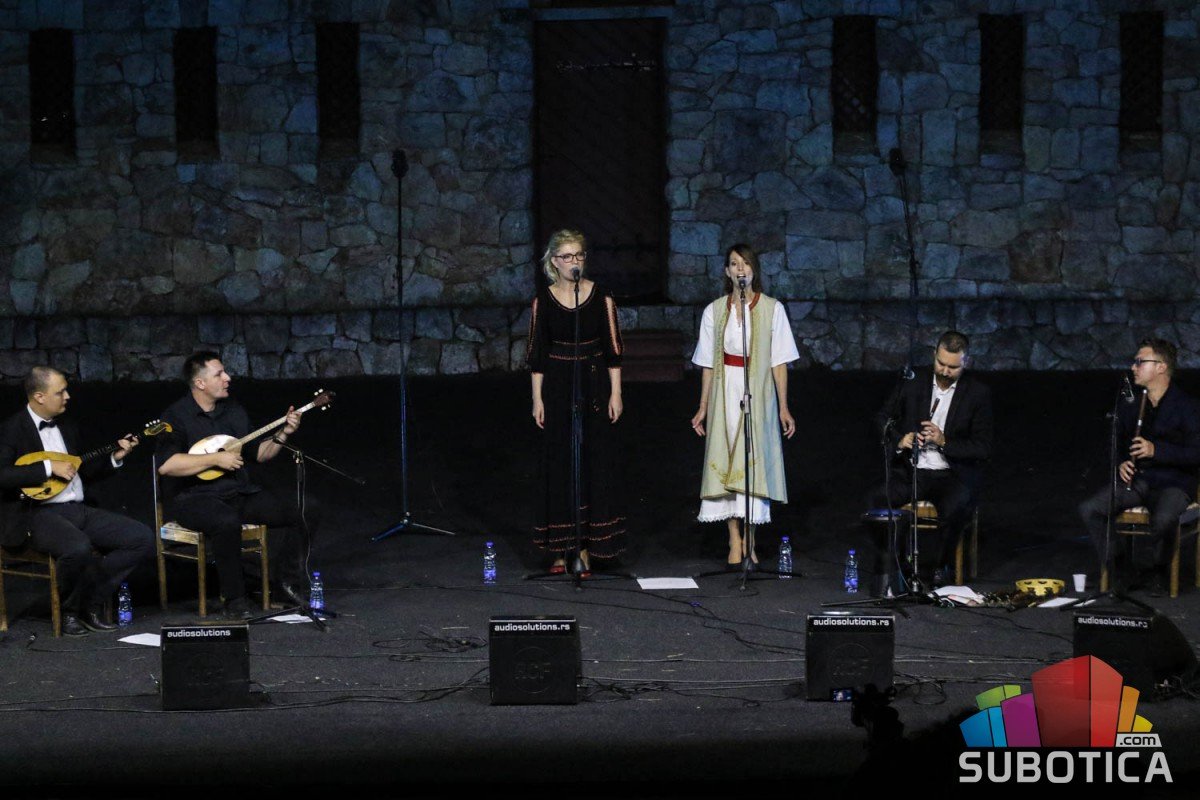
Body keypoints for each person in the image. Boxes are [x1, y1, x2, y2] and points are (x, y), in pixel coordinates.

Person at [0, 366, 154, 636]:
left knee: (139, 537)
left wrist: (114, 458)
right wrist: (49, 467)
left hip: (77, 508)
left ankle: (90, 602)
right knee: (77, 547)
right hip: (36, 513)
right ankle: (69, 612)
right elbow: (3, 475)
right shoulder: (11, 429)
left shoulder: (68, 425)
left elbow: (81, 471)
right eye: (60, 392)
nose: (67, 396)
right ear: (39, 396)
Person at [156, 352, 311, 618]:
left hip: (238, 493)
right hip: (194, 499)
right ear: (200, 383)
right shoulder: (175, 416)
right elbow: (167, 465)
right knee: (226, 521)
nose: (227, 378)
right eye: (219, 374)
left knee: (306, 508)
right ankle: (234, 599)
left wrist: (283, 433)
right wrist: (216, 459)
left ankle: (285, 585)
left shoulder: (234, 411)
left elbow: (259, 454)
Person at [690, 244, 799, 570]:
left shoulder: (772, 309)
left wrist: (783, 407)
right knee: (727, 461)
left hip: (758, 393)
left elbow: (779, 362)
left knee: (752, 462)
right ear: (727, 271)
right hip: (726, 390)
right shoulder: (714, 311)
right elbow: (708, 363)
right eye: (734, 264)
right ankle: (733, 538)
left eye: (746, 263)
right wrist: (703, 406)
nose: (740, 269)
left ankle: (751, 540)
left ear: (754, 270)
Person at [526, 229, 626, 574]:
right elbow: (537, 354)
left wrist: (616, 392)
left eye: (579, 255)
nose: (574, 262)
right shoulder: (543, 300)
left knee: (591, 461)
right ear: (554, 261)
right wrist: (537, 398)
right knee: (560, 463)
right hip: (558, 384)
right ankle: (559, 548)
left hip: (593, 382)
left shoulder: (600, 297)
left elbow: (613, 350)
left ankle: (584, 548)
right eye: (567, 256)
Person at [870, 331, 993, 591]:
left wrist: (944, 440)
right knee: (879, 500)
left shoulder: (978, 393)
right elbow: (882, 419)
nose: (945, 371)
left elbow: (982, 447)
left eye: (953, 367)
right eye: (941, 363)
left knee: (958, 506)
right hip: (913, 470)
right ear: (934, 355)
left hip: (950, 474)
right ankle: (899, 568)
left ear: (966, 362)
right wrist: (901, 439)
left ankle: (941, 567)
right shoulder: (913, 381)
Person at [1078, 338, 1200, 594]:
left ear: (1161, 367)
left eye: (1140, 362)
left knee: (1164, 519)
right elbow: (1118, 445)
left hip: (1173, 483)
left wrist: (1157, 450)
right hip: (1139, 480)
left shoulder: (1187, 407)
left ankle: (1158, 570)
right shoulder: (1131, 406)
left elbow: (1196, 452)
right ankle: (1123, 568)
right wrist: (1121, 463)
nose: (1134, 367)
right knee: (1091, 509)